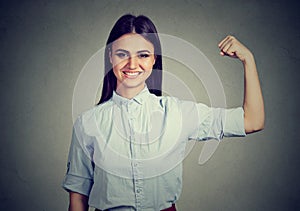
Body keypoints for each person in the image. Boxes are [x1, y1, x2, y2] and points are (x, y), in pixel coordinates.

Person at [62, 14, 265, 211]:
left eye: (143, 55)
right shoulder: (87, 123)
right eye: (122, 54)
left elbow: (252, 121)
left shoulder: (179, 113)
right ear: (110, 56)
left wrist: (248, 59)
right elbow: (78, 199)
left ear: (154, 60)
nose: (132, 64)